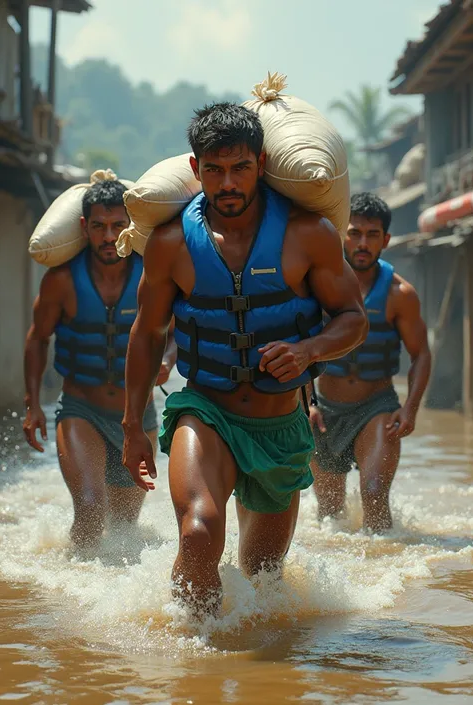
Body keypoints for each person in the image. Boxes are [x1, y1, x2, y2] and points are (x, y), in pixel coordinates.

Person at [122, 102, 368, 614]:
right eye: (214, 170)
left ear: (260, 163)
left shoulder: (308, 235)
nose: (227, 183)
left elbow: (353, 319)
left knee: (263, 579)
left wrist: (308, 350)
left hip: (279, 427)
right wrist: (130, 426)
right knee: (197, 534)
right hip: (205, 412)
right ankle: (193, 662)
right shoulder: (171, 245)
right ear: (196, 170)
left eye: (239, 169)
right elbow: (146, 333)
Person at [23, 179, 176, 554]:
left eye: (118, 226)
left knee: (125, 527)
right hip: (81, 410)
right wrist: (31, 404)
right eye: (98, 227)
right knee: (91, 511)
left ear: (131, 227)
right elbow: (37, 337)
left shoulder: (151, 274)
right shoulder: (61, 281)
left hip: (138, 417)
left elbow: (176, 331)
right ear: (83, 228)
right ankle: (72, 594)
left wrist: (168, 360)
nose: (109, 236)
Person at [310, 192, 431, 533]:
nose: (362, 243)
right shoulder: (319, 287)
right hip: (324, 412)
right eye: (355, 233)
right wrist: (308, 402)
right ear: (341, 235)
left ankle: (390, 578)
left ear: (386, 240)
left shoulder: (400, 294)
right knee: (329, 516)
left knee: (374, 494)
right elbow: (300, 345)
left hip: (376, 408)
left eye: (372, 235)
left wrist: (411, 408)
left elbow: (421, 353)